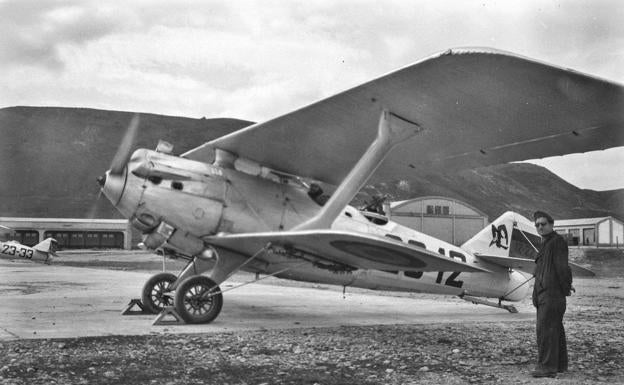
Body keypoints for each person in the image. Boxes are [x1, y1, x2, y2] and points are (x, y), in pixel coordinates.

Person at [531, 210, 573, 378]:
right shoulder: (546, 243)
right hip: (544, 294)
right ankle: (559, 365)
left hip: (552, 294)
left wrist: (565, 287)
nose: (540, 227)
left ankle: (547, 367)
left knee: (546, 330)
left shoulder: (557, 242)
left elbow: (563, 268)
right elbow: (540, 271)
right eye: (537, 225)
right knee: (553, 329)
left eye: (543, 224)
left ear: (551, 224)